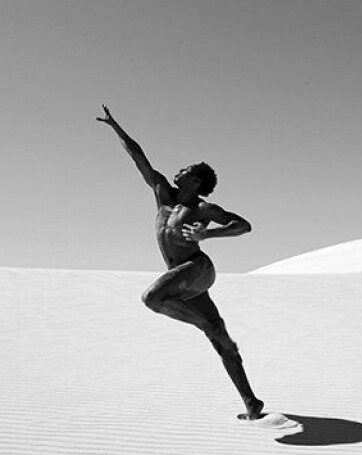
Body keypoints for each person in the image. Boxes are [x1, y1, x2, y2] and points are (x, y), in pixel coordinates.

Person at [97, 105, 265, 420]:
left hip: (199, 269)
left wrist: (209, 235)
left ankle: (208, 326)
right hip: (183, 280)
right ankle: (252, 404)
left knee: (152, 298)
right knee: (219, 338)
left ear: (198, 182)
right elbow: (138, 157)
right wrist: (115, 126)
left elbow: (244, 225)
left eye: (188, 170)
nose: (180, 170)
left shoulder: (204, 208)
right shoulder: (163, 193)